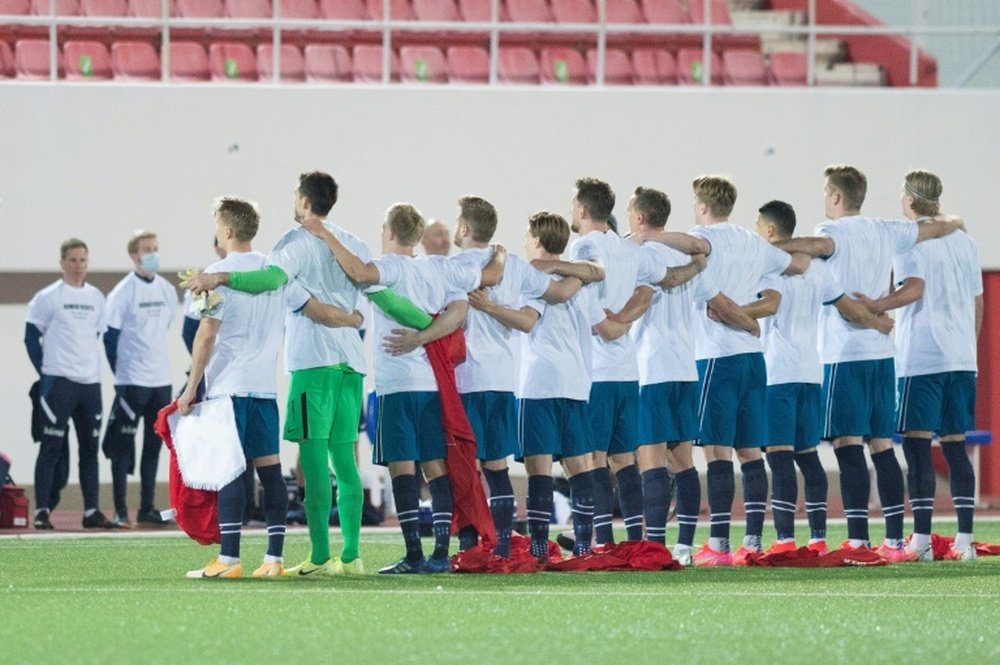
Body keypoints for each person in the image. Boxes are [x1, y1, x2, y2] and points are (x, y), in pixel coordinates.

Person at [186, 171, 433, 576]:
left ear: (303, 200)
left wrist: (219, 276)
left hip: (312, 362)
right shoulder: (353, 242)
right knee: (346, 462)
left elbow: (270, 280)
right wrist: (428, 324)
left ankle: (320, 553)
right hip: (351, 364)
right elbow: (384, 297)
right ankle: (351, 555)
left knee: (315, 462)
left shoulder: (293, 242)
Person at [777, 164, 963, 560]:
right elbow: (934, 228)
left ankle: (859, 539)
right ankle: (894, 540)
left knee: (847, 444)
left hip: (845, 355)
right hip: (883, 357)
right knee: (881, 445)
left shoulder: (832, 232)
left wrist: (758, 247)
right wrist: (956, 219)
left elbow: (808, 247)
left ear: (836, 197)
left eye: (827, 192)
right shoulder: (887, 230)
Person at [299, 202, 494, 574]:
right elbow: (459, 312)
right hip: (432, 384)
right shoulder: (438, 268)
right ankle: (440, 555)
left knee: (402, 469)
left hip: (397, 385)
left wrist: (325, 234)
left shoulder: (387, 267)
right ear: (418, 235)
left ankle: (414, 555)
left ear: (388, 232)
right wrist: (425, 337)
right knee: (436, 466)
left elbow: (356, 270)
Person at [180, 196, 364, 579]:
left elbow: (206, 336)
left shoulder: (215, 273)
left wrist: (190, 387)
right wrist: (352, 319)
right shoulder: (275, 270)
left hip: (228, 387)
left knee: (231, 472)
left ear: (227, 231)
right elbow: (316, 310)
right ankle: (273, 559)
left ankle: (229, 561)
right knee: (270, 470)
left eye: (217, 225)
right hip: (265, 389)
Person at [540, 177, 707, 549]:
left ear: (582, 210)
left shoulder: (583, 245)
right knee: (623, 459)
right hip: (628, 371)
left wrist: (608, 324)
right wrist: (626, 319)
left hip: (598, 369)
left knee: (594, 459)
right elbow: (661, 283)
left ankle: (602, 540)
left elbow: (581, 288)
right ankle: (636, 541)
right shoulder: (630, 250)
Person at [447, 195, 598, 557]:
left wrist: (487, 304)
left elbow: (528, 316)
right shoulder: (529, 269)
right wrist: (586, 271)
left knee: (485, 468)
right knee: (552, 466)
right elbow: (565, 300)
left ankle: (492, 546)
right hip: (545, 381)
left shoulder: (467, 268)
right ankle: (570, 545)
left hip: (512, 381)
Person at [614, 186, 758, 565]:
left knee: (650, 457)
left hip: (652, 367)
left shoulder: (641, 255)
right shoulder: (685, 254)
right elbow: (719, 300)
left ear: (641, 217)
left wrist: (615, 322)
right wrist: (750, 325)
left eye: (631, 213)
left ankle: (656, 547)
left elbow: (648, 292)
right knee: (683, 462)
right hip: (685, 369)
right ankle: (684, 547)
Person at [676, 175, 808, 567]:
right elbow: (797, 265)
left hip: (715, 355)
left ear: (701, 206)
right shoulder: (755, 242)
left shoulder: (699, 239)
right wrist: (749, 320)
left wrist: (733, 317)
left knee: (717, 451)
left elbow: (711, 302)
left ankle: (717, 544)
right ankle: (752, 538)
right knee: (750, 452)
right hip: (754, 358)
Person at [852, 170, 982, 561]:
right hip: (961, 358)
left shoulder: (910, 241)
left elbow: (914, 288)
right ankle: (964, 540)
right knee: (957, 446)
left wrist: (875, 305)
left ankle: (922, 539)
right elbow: (978, 301)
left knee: (918, 447)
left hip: (923, 356)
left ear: (909, 199)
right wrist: (967, 348)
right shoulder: (967, 242)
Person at [752, 200, 892, 555]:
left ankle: (784, 540)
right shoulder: (818, 271)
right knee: (808, 456)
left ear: (770, 231)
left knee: (780, 455)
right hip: (811, 373)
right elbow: (850, 309)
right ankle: (817, 538)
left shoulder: (767, 269)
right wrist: (881, 323)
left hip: (778, 371)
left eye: (758, 227)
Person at [510, 212, 625, 560]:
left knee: (539, 467)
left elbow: (527, 321)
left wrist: (489, 308)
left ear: (538, 240)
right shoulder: (583, 284)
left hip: (540, 382)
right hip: (576, 382)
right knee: (579, 465)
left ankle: (540, 547)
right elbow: (600, 326)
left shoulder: (531, 279)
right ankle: (585, 546)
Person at [24, 238, 115, 529]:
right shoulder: (47, 297)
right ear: (62, 262)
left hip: (89, 386)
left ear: (88, 263)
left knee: (90, 449)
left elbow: (96, 337)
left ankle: (91, 511)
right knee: (51, 447)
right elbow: (30, 337)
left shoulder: (97, 298)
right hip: (58, 384)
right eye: (73, 260)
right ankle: (42, 511)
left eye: (83, 260)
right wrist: (47, 372)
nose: (78, 266)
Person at [101, 230, 178, 528]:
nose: (153, 253)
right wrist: (121, 375)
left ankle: (147, 507)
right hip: (131, 382)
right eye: (147, 249)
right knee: (122, 446)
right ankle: (121, 509)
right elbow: (110, 338)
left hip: (160, 381)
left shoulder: (167, 290)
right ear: (134, 255)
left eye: (156, 248)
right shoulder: (122, 292)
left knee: (153, 445)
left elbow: (165, 328)